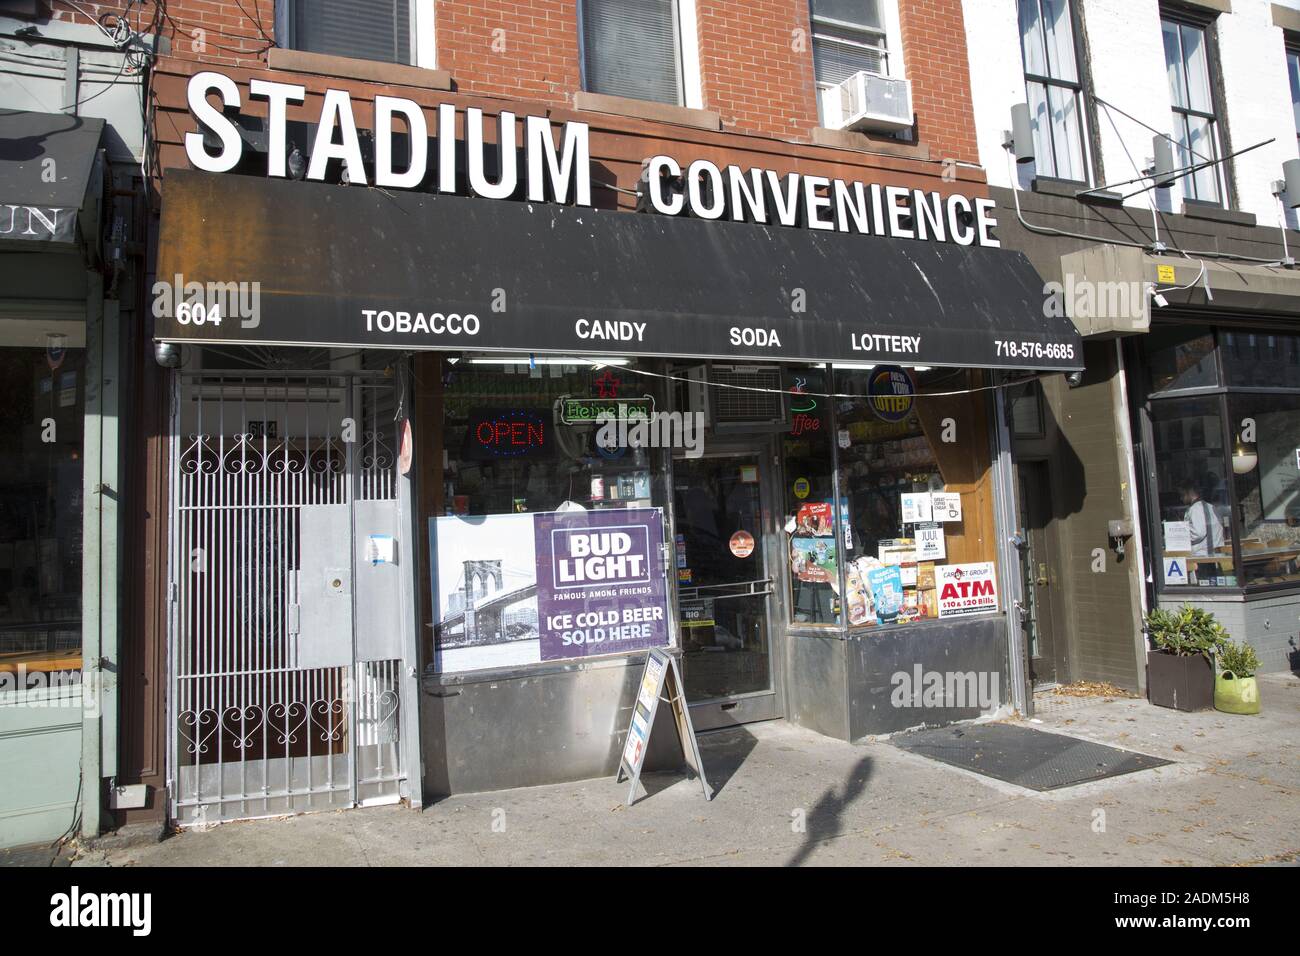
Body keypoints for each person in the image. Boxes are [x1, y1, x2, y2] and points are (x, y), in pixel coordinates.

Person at [1180, 478, 1225, 557]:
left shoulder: (1195, 509)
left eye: (1182, 495)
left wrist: (1181, 535)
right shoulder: (1210, 507)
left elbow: (1199, 533)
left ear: (1190, 492)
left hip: (1202, 556)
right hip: (1215, 555)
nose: (1181, 498)